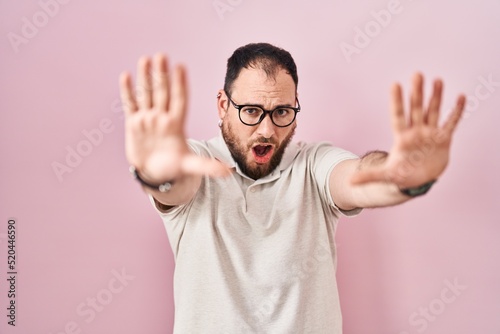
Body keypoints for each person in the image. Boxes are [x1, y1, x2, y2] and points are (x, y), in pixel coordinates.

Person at [119, 43, 465, 333]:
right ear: (224, 105)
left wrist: (403, 178)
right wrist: (156, 172)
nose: (267, 130)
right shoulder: (195, 161)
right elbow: (173, 184)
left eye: (282, 111)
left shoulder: (313, 164)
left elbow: (358, 179)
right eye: (251, 111)